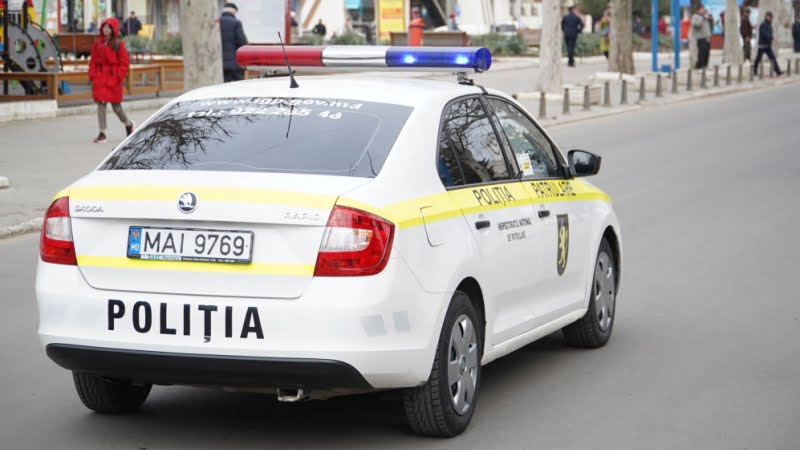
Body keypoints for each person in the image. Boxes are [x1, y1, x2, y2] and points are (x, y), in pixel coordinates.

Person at [89, 18, 134, 144]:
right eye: (104, 27)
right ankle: (102, 133)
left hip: (113, 78)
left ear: (113, 29)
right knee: (101, 105)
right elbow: (93, 60)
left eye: (109, 27)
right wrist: (93, 75)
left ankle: (128, 124)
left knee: (117, 107)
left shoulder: (118, 44)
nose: (106, 29)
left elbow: (124, 63)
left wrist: (118, 77)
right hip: (100, 78)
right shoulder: (98, 43)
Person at [219, 2, 248, 83]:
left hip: (220, 64)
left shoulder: (217, 22)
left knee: (222, 86)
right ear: (234, 11)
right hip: (234, 64)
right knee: (239, 86)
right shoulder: (236, 23)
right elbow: (242, 42)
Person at [753, 12, 782, 77]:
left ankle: (778, 71)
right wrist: (771, 37)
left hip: (768, 45)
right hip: (762, 45)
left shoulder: (769, 25)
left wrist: (771, 38)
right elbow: (764, 34)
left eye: (771, 17)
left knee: (773, 58)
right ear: (766, 17)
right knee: (758, 59)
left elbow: (769, 33)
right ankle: (754, 71)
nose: (770, 18)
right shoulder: (763, 24)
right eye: (769, 17)